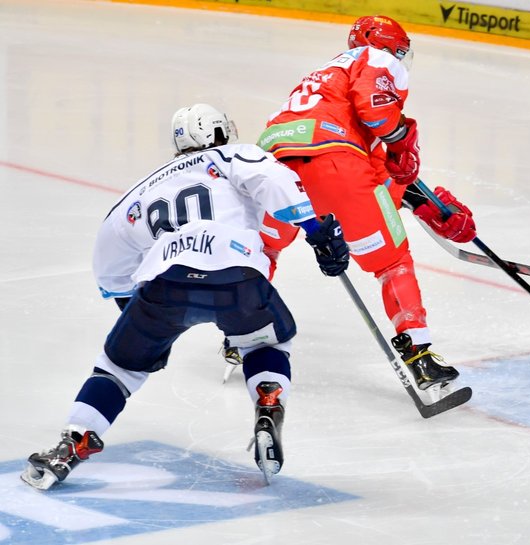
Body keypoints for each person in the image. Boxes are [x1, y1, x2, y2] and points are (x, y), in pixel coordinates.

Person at [21, 104, 350, 490]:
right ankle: (268, 403)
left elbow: (110, 256)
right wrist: (316, 230)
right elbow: (271, 178)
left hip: (165, 284)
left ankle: (71, 444)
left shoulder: (144, 187)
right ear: (219, 133)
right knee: (266, 342)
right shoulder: (231, 155)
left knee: (118, 369)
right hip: (237, 276)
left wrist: (140, 320)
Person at [255, 14, 476, 392]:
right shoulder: (374, 59)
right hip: (337, 164)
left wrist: (424, 202)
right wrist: (402, 137)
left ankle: (242, 337)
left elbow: (373, 167)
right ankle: (418, 353)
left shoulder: (322, 78)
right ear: (381, 42)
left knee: (264, 250)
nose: (399, 59)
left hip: (274, 168)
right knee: (392, 262)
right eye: (399, 51)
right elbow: (375, 122)